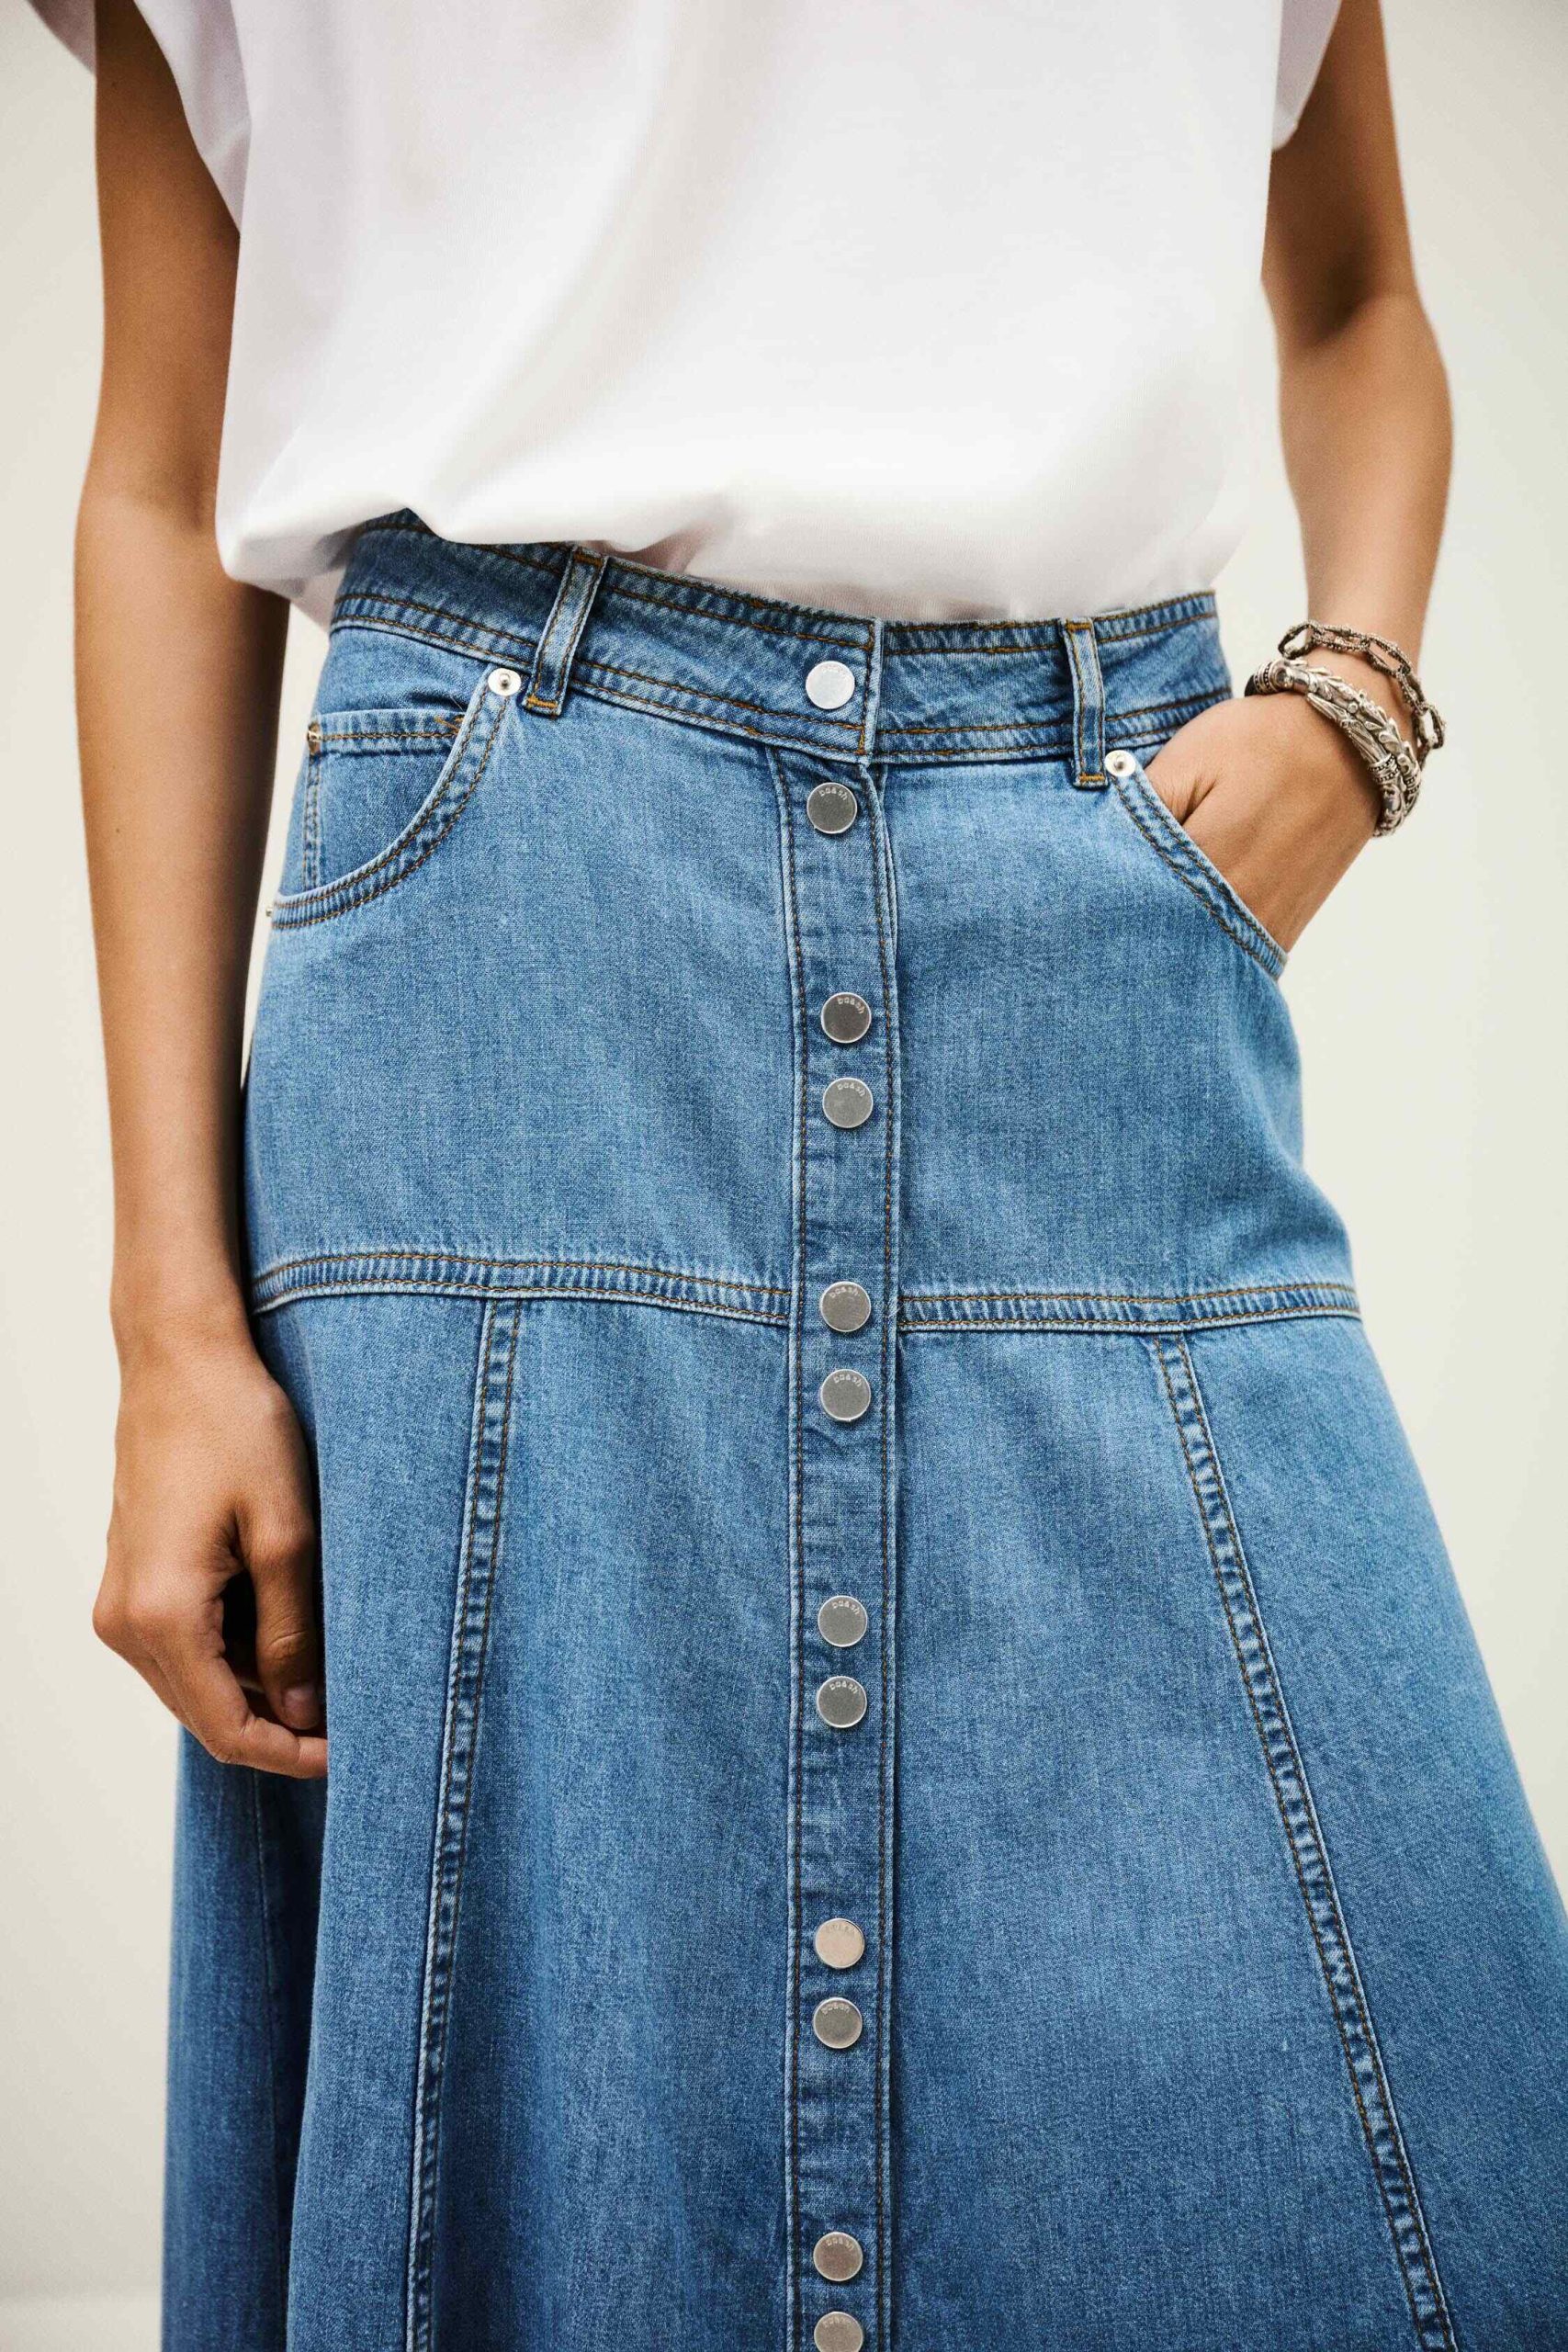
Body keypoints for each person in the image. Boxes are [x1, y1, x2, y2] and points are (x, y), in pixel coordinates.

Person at [33, 0, 1568, 2345]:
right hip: (501, 955)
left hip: (1084, 901)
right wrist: (169, 1319)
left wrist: (1353, 700)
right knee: (548, 2106)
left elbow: (1355, 294)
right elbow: (161, 472)